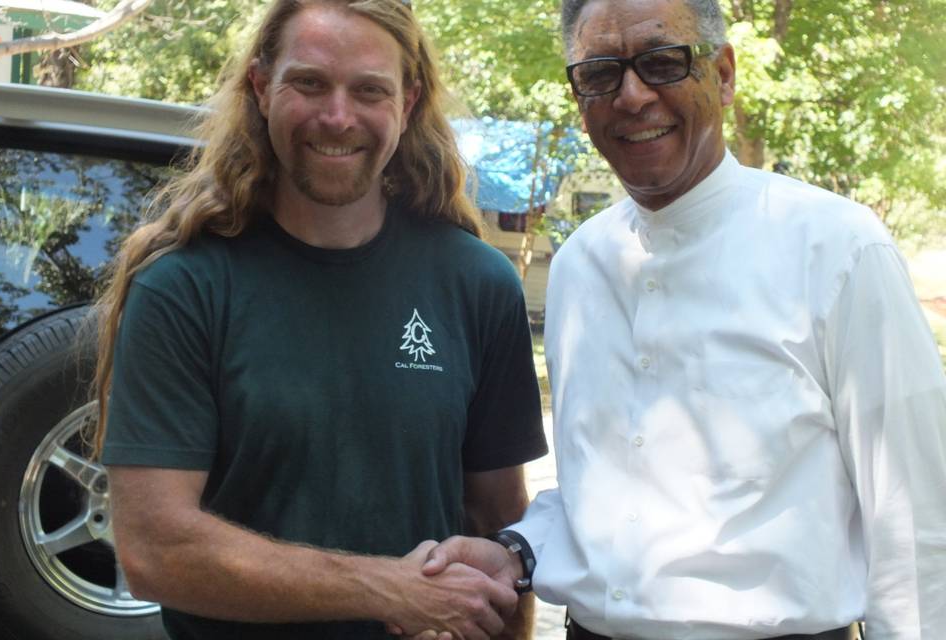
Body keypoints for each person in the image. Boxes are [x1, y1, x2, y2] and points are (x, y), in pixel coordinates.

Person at [420, 0, 946, 638]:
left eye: (664, 61)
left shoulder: (837, 249)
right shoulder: (580, 264)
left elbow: (917, 524)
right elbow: (611, 494)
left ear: (723, 75)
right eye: (600, 73)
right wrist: (517, 549)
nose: (632, 96)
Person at [92, 1, 548, 639]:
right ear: (260, 85)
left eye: (369, 91)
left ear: (408, 101)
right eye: (309, 83)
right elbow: (155, 550)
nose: (338, 117)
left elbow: (503, 528)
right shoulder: (184, 286)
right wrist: (389, 590)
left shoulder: (476, 283)